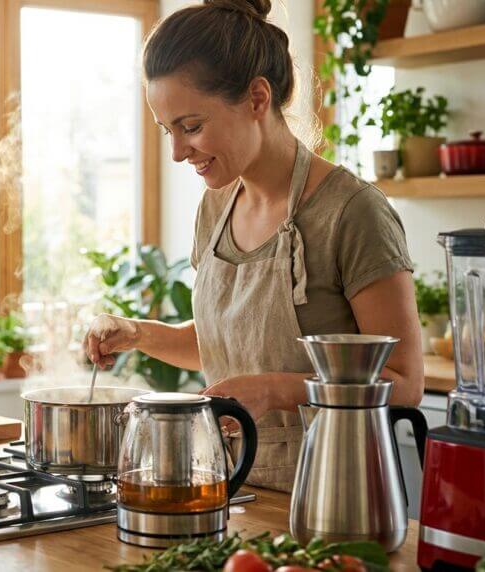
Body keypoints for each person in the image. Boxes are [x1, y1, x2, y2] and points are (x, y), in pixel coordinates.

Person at [83, 0, 424, 492]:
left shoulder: (351, 212)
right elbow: (225, 343)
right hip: (231, 488)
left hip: (334, 498)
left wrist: (276, 391)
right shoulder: (216, 207)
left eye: (191, 127)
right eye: (168, 131)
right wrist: (136, 332)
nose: (178, 152)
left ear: (258, 99)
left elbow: (405, 382)